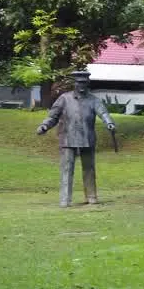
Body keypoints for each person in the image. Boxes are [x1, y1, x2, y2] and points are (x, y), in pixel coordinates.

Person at [36, 70, 116, 208]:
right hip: (67, 137)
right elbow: (53, 116)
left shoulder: (94, 100)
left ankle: (91, 196)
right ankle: (65, 199)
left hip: (87, 137)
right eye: (79, 83)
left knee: (89, 168)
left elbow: (103, 112)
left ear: (88, 83)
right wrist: (44, 126)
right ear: (75, 84)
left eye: (84, 83)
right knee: (67, 169)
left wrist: (109, 122)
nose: (82, 85)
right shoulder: (64, 98)